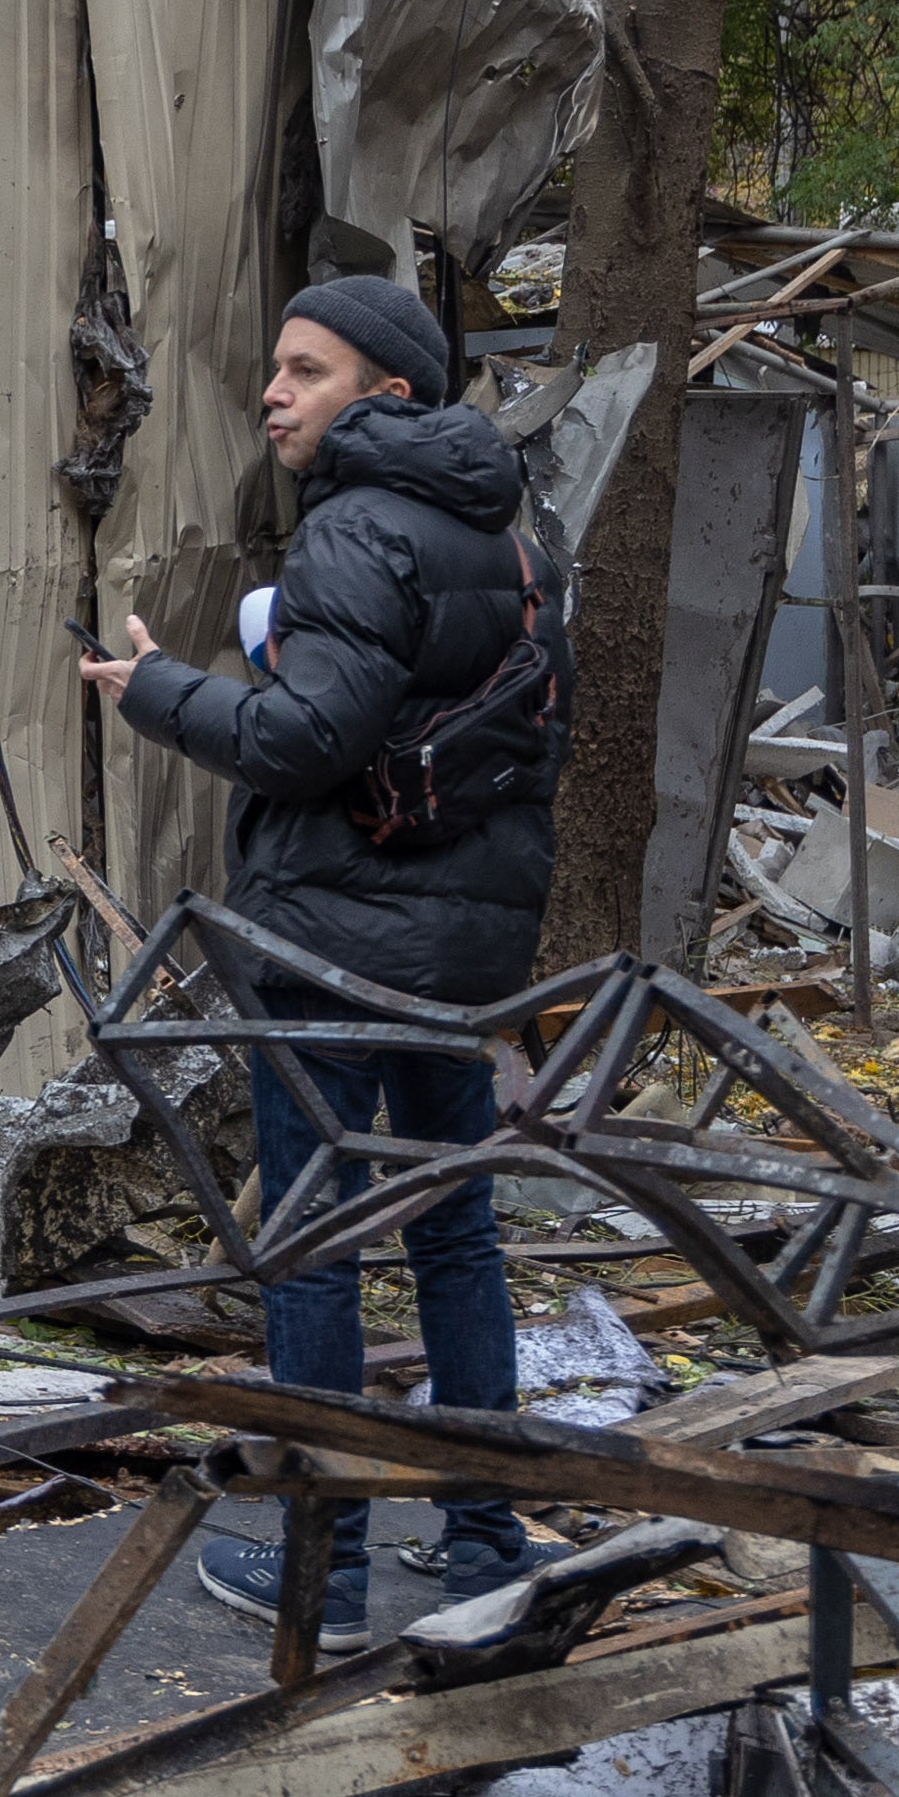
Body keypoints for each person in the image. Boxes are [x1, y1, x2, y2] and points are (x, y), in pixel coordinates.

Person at [79, 251, 559, 1634]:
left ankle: (323, 1565)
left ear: (384, 392)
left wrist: (159, 690)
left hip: (338, 946)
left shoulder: (357, 531)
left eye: (306, 372)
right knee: (457, 1235)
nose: (269, 395)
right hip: (455, 956)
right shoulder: (510, 538)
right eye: (276, 368)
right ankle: (482, 1543)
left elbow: (306, 739)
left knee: (312, 1241)